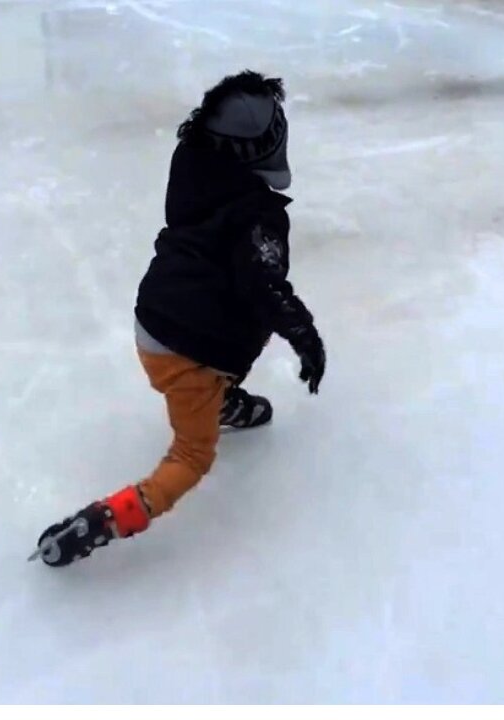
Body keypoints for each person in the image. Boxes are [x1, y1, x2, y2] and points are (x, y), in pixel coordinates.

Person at [34, 70, 326, 567]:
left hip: (154, 319)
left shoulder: (192, 166)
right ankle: (111, 516)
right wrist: (304, 334)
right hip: (189, 349)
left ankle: (224, 401)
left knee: (230, 339)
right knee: (192, 456)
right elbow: (265, 286)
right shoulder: (258, 215)